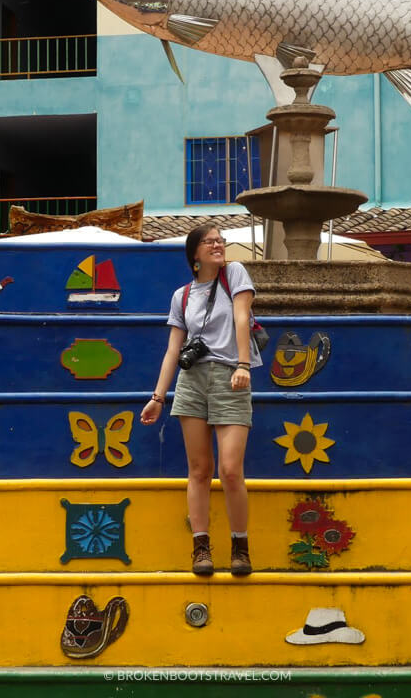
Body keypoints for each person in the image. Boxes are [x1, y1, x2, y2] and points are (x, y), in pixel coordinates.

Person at [140, 222, 261, 576]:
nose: (217, 245)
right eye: (209, 241)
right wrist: (158, 397)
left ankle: (240, 546)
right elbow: (172, 350)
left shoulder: (235, 274)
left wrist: (243, 364)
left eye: (220, 240)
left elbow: (241, 317)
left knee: (230, 470)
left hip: (230, 376)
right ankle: (201, 547)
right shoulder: (182, 296)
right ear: (194, 253)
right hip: (192, 381)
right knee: (199, 470)